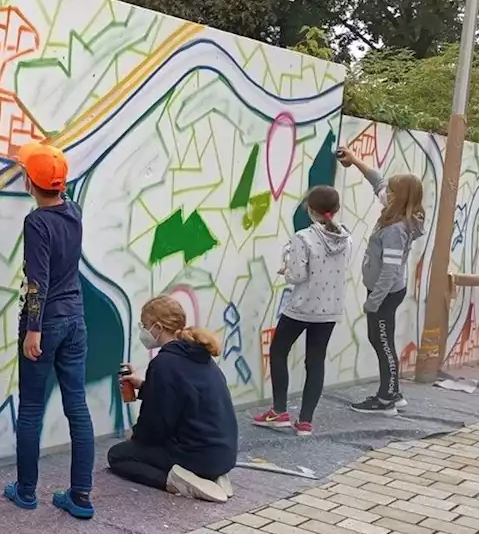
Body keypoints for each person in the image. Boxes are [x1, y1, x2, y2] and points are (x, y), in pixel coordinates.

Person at [3, 142, 94, 519]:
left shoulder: (36, 222)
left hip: (47, 323)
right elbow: (53, 184)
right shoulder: (73, 212)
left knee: (31, 409)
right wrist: (35, 162)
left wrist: (33, 331)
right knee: (78, 406)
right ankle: (81, 496)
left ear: (28, 182)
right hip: (76, 319)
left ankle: (26, 492)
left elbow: (37, 281)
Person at [110, 295, 238, 503]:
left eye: (145, 326)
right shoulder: (199, 355)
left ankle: (179, 481)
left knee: (118, 455)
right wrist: (143, 386)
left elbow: (156, 425)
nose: (143, 331)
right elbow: (182, 397)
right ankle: (210, 476)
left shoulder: (164, 363)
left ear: (158, 327)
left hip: (196, 455)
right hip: (223, 455)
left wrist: (136, 437)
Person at [253, 186, 352, 435]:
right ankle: (305, 421)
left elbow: (297, 275)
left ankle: (279, 411)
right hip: (330, 309)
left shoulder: (303, 237)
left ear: (310, 210)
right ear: (336, 210)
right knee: (315, 361)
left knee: (278, 351)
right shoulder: (346, 238)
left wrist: (285, 269)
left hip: (302, 306)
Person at [338, 147, 426, 413]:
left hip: (384, 293)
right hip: (383, 291)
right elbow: (377, 180)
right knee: (379, 339)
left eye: (391, 191)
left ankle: (387, 398)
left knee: (382, 341)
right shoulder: (396, 211)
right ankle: (393, 392)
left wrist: (373, 302)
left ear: (399, 197)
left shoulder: (396, 229)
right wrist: (354, 161)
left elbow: (389, 271)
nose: (385, 191)